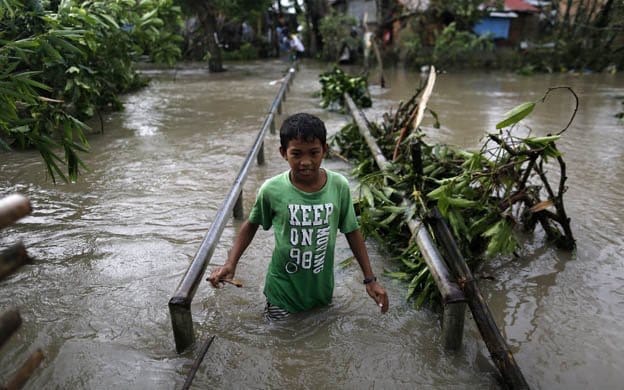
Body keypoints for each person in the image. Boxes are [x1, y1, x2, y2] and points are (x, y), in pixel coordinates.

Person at [208, 113, 389, 321]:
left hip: (321, 291)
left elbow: (352, 231)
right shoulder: (272, 189)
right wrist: (231, 263)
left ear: (325, 150)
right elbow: (251, 225)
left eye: (314, 153)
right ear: (284, 153)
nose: (306, 162)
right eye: (296, 154)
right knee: (282, 344)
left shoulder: (339, 186)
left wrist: (369, 279)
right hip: (282, 294)